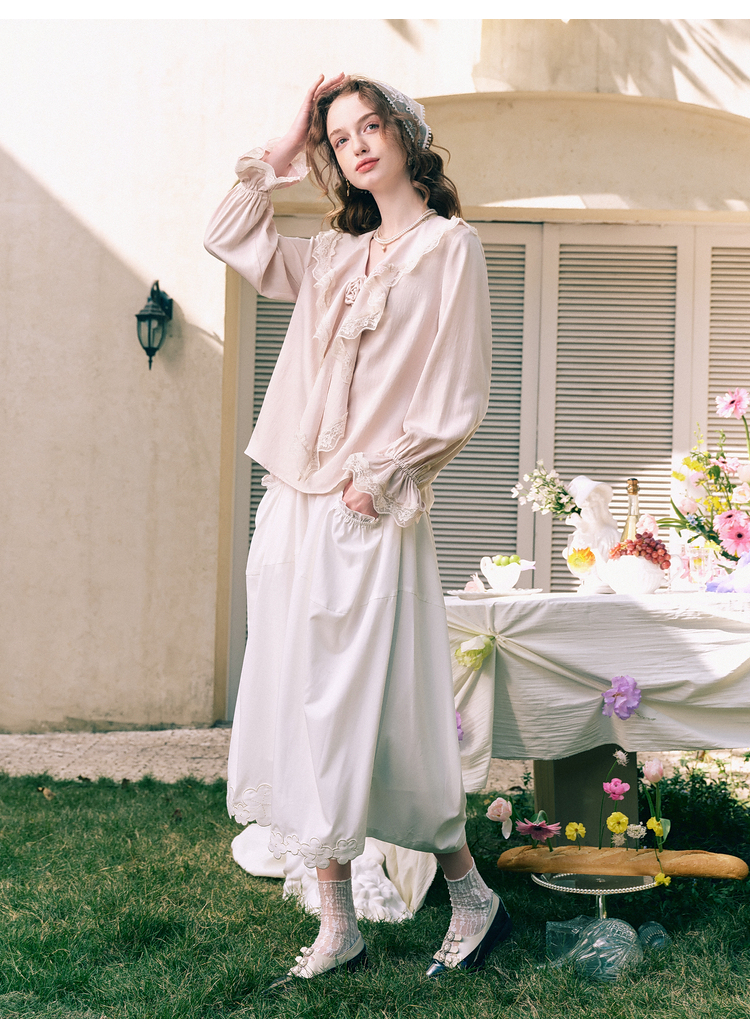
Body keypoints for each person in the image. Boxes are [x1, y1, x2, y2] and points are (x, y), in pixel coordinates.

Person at [204, 73, 511, 985]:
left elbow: (459, 392)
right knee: (305, 705)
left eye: (371, 126)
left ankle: (469, 894)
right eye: (340, 137)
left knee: (371, 710)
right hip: (293, 503)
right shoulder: (332, 256)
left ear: (406, 135)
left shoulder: (450, 247)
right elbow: (228, 234)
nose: (358, 145)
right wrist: (283, 143)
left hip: (367, 505)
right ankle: (339, 924)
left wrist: (378, 482)